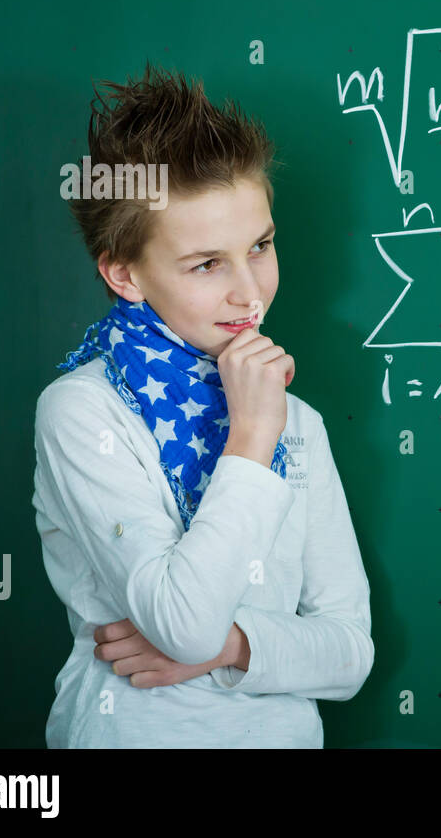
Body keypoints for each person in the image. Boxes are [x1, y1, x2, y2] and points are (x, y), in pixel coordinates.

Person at [32, 63, 373, 747]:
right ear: (123, 273)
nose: (250, 294)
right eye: (206, 264)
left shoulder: (296, 421)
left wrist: (233, 647)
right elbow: (180, 622)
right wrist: (250, 435)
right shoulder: (82, 412)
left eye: (261, 247)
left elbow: (349, 656)